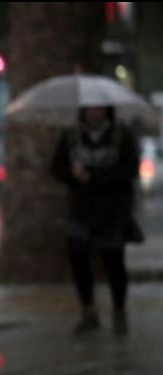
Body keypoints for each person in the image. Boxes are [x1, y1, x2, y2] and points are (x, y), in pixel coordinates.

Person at [51, 106, 141, 336]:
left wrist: (95, 177)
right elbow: (56, 167)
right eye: (90, 108)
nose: (94, 112)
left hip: (112, 211)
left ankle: (119, 310)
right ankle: (88, 310)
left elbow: (130, 169)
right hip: (80, 209)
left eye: (99, 108)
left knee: (113, 261)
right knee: (78, 256)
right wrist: (73, 175)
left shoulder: (121, 135)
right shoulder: (72, 136)